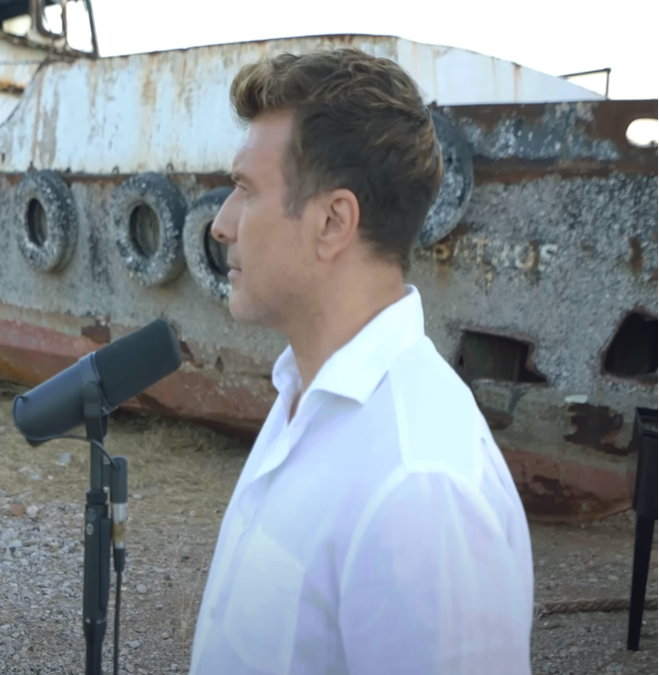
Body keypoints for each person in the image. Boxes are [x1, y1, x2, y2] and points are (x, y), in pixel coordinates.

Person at [189, 48, 534, 675]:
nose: (220, 224)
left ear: (332, 222)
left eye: (245, 190)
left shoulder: (422, 488)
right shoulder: (303, 394)